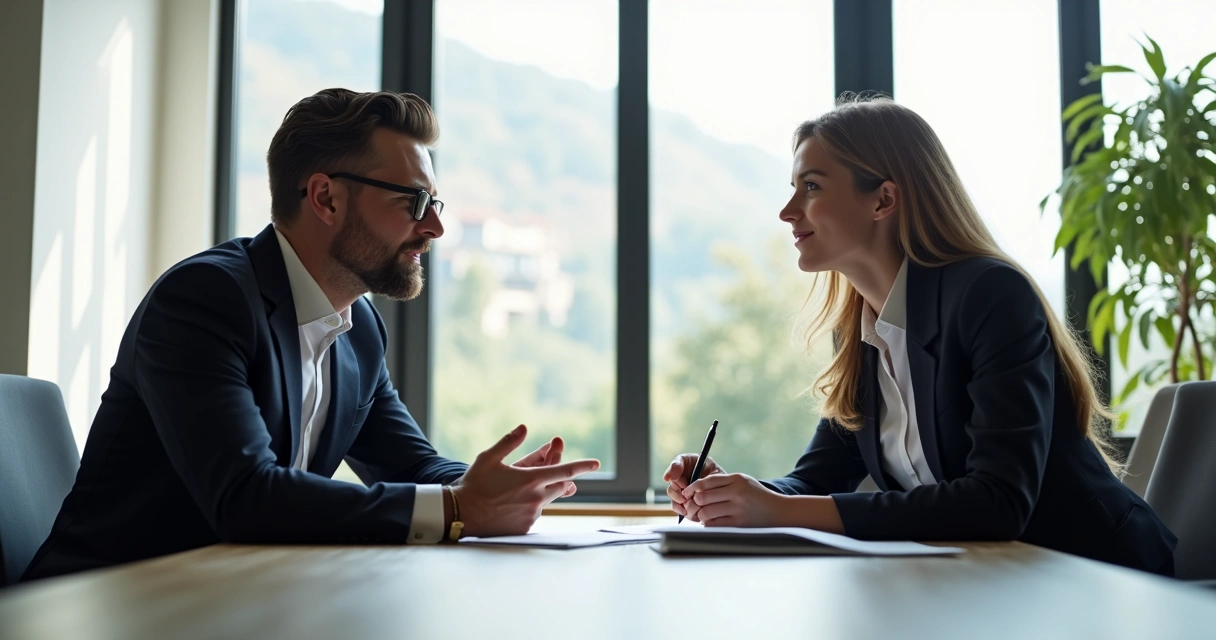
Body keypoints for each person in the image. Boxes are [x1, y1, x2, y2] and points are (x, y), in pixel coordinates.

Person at [23, 89, 598, 581]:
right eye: (414, 201)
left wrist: (492, 486)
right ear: (325, 197)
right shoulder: (204, 299)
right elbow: (245, 497)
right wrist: (456, 508)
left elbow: (413, 467)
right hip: (104, 604)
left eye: (434, 202)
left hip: (235, 599)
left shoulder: (359, 329)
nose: (435, 227)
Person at [663, 95, 1177, 575]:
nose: (788, 210)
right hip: (984, 580)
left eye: (812, 187)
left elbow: (998, 503)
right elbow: (817, 481)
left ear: (883, 200)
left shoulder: (989, 295)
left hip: (1096, 576)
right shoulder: (862, 330)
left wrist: (779, 510)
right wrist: (731, 492)